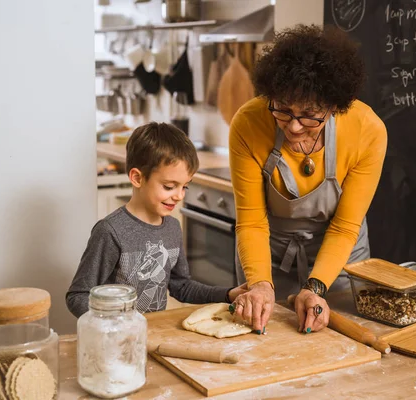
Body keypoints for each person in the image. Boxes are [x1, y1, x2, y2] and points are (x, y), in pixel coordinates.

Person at [229, 25, 387, 335]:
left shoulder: (367, 130)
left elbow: (345, 227)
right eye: (283, 111)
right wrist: (260, 283)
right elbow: (251, 222)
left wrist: (315, 287)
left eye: (310, 115)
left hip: (340, 257)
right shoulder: (248, 124)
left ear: (335, 105)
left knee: (335, 339)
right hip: (269, 253)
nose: (295, 127)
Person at [67, 122, 246, 318]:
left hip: (152, 335)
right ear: (137, 178)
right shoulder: (110, 231)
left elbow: (182, 287)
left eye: (184, 187)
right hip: (116, 338)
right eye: (169, 187)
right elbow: (78, 296)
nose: (179, 196)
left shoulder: (172, 228)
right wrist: (115, 323)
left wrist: (228, 294)